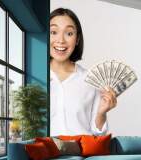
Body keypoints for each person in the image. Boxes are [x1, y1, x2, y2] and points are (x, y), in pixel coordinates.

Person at [50, 8, 117, 136]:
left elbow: (97, 134)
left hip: (81, 153)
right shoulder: (35, 78)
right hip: (45, 154)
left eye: (69, 33)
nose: (61, 40)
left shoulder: (90, 79)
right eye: (54, 32)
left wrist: (101, 113)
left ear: (77, 39)